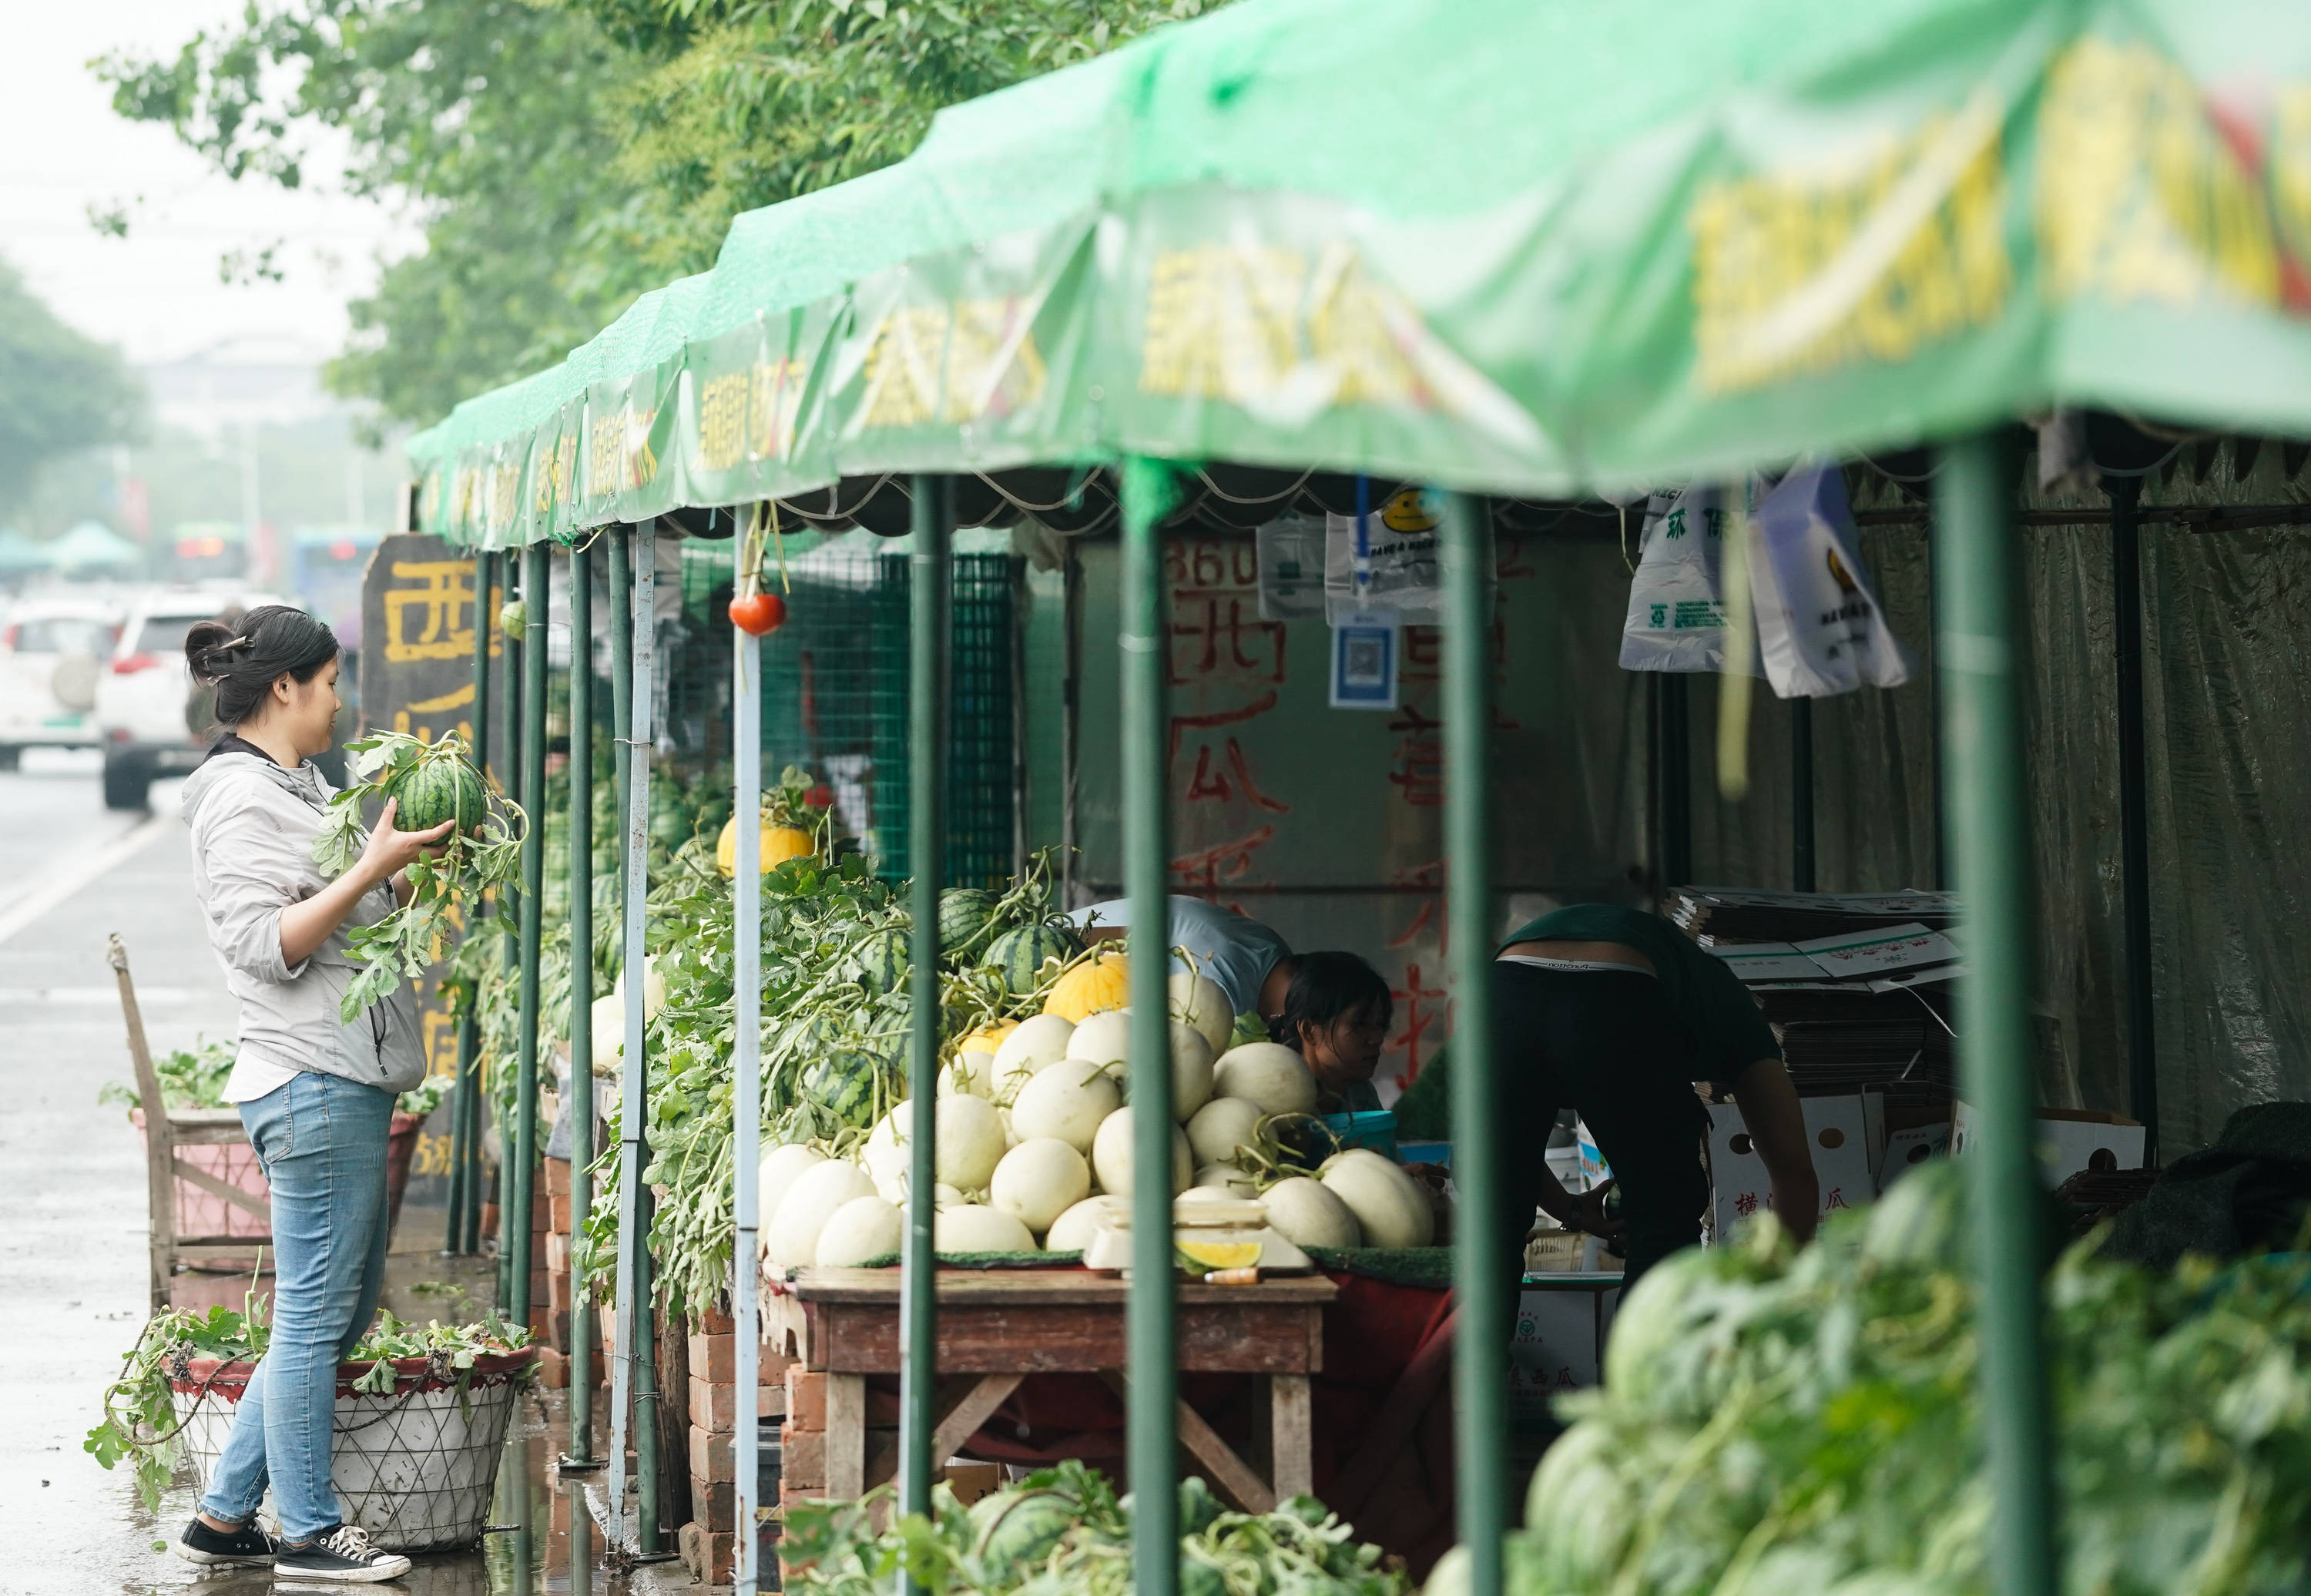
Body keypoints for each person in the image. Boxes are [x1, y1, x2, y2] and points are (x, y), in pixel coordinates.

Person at [169, 606, 453, 1583]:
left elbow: (344, 911)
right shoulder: (241, 799)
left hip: (338, 1075)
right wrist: (372, 864)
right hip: (310, 1077)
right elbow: (267, 943)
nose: (343, 699)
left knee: (334, 1310)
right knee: (315, 1313)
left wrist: (396, 869)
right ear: (284, 687)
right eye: (331, 682)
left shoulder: (297, 782)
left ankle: (222, 1515)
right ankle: (309, 1529)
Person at [1394, 902, 1819, 1293]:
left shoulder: (1694, 986)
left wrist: (1573, 1212)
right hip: (1617, 989)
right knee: (1662, 1217)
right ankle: (1642, 1377)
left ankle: (1468, 1374)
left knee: (1494, 1215)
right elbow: (1793, 1171)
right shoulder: (1732, 1012)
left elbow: (1502, 1155)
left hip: (1505, 989)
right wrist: (1782, 1292)